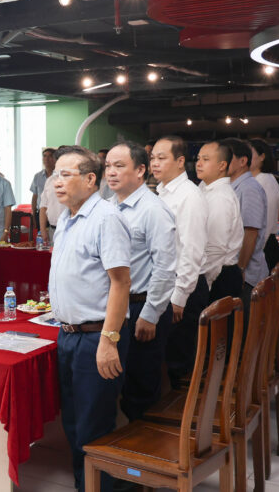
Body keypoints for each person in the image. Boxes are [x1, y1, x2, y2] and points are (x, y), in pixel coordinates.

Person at [48, 145, 131, 492]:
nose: (57, 181)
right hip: (68, 335)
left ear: (90, 179)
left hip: (96, 336)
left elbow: (121, 282)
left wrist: (109, 341)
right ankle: (85, 486)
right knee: (72, 424)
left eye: (66, 174)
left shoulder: (105, 218)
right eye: (55, 174)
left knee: (93, 428)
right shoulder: (66, 218)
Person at [105, 141, 176, 423]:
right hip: (116, 306)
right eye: (108, 166)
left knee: (141, 389)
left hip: (141, 306)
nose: (111, 172)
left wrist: (150, 314)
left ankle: (143, 444)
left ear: (140, 170)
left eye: (119, 166)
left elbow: (165, 267)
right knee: (117, 382)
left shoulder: (153, 210)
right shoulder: (108, 207)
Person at [151, 136, 209, 385]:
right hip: (164, 282)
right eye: (152, 158)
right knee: (162, 358)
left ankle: (185, 409)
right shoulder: (160, 192)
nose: (154, 163)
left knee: (179, 364)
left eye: (161, 158)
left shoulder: (189, 196)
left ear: (180, 161)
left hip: (182, 286)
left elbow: (191, 251)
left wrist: (180, 296)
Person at [223, 138, 269, 321]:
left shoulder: (249, 188)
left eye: (227, 157)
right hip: (235, 271)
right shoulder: (232, 186)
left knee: (243, 329)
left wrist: (240, 269)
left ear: (242, 161)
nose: (222, 162)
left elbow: (251, 232)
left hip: (246, 276)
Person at [196, 141, 243, 303]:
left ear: (222, 165)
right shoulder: (204, 187)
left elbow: (216, 248)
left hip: (219, 276)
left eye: (206, 159)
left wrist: (205, 285)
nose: (199, 164)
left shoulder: (220, 197)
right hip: (213, 273)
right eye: (198, 158)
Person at [248, 139, 279, 270]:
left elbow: (267, 220)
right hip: (256, 245)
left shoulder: (265, 181)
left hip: (263, 247)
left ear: (262, 156)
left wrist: (254, 253)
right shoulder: (253, 180)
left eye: (250, 153)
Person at [39, 171, 65, 245]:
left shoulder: (77, 180)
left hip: (71, 230)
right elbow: (43, 206)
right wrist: (43, 230)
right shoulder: (50, 180)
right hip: (52, 230)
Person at [30, 147, 56, 216]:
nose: (46, 159)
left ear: (55, 159)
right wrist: (33, 214)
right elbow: (35, 196)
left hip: (55, 213)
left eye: (50, 156)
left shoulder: (59, 175)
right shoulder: (37, 176)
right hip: (40, 212)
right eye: (44, 156)